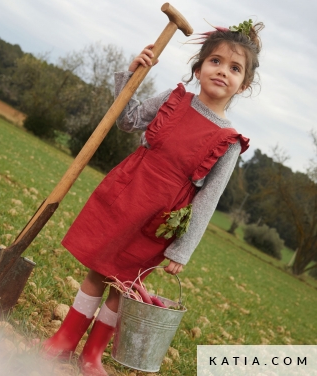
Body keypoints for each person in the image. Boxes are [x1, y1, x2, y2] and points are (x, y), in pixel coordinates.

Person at [42, 20, 264, 375]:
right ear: (199, 67)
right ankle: (63, 341)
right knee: (98, 271)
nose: (223, 71)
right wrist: (132, 74)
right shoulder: (172, 100)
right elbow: (126, 120)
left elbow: (207, 201)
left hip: (158, 218)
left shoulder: (229, 142)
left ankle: (92, 356)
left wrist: (181, 249)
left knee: (124, 284)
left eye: (235, 68)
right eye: (216, 61)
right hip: (126, 192)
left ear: (245, 84)